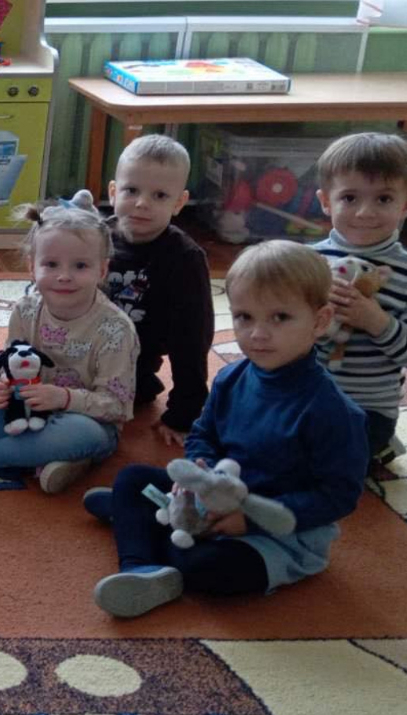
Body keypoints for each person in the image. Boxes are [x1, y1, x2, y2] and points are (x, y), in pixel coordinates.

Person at [84, 241, 368, 617]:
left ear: (319, 321)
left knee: (208, 567)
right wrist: (198, 471)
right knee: (132, 477)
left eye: (280, 317)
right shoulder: (231, 377)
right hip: (213, 498)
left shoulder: (332, 411)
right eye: (244, 317)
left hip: (278, 528)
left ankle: (140, 524)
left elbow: (337, 496)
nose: (258, 333)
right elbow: (204, 434)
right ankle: (140, 567)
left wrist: (246, 521)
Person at [0, 200, 139, 494]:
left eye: (80, 266)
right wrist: (2, 388)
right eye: (51, 265)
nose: (64, 276)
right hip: (25, 413)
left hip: (85, 421)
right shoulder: (25, 310)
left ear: (102, 270)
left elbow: (116, 407)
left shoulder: (115, 329)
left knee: (84, 435)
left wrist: (63, 397)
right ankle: (42, 457)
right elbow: (11, 366)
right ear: (32, 267)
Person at [309, 132, 407, 462]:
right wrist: (314, 311)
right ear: (326, 201)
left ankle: (378, 445)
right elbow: (278, 327)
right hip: (301, 395)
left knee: (328, 466)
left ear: (406, 204)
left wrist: (378, 322)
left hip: (366, 409)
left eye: (383, 199)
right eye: (350, 198)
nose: (365, 212)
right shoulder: (306, 262)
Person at [101, 134, 213, 448]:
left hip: (134, 363)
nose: (142, 203)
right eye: (131, 190)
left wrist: (184, 412)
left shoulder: (185, 260)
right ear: (113, 192)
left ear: (179, 203)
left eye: (160, 195)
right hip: (77, 347)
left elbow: (193, 339)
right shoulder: (94, 238)